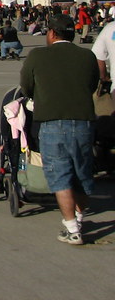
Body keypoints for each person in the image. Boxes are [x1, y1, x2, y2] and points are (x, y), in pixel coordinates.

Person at [19, 13, 100, 245]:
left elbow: (26, 86)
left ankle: (72, 228)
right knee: (82, 173)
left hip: (52, 122)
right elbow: (92, 84)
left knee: (60, 176)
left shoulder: (38, 55)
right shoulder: (87, 56)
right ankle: (79, 218)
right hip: (83, 122)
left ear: (52, 33)